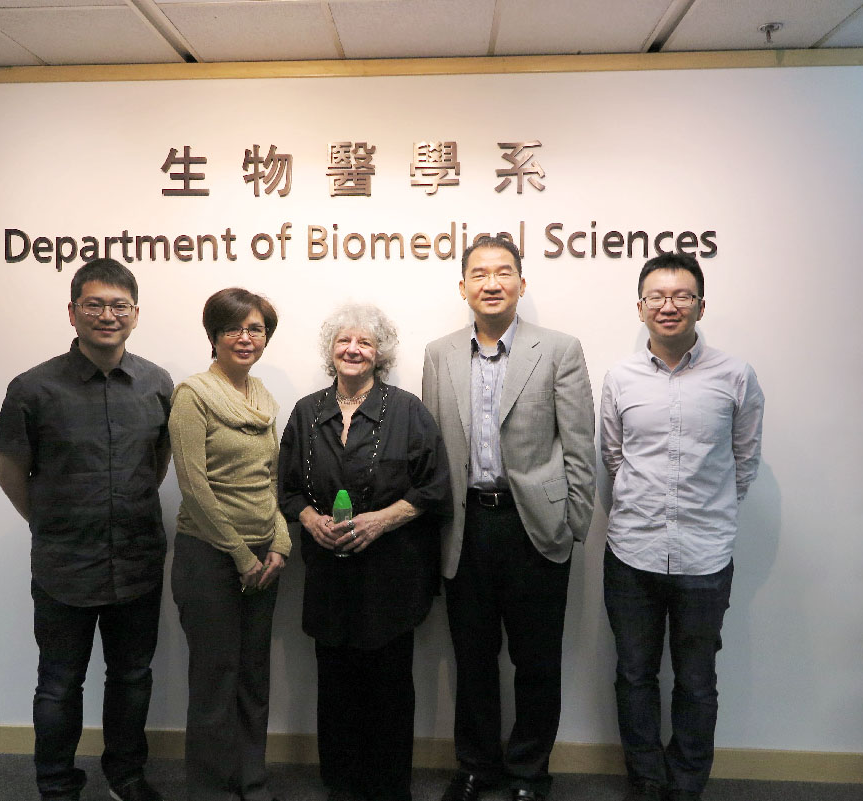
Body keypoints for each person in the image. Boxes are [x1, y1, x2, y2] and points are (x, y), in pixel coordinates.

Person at [422, 235, 596, 801]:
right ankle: (477, 766)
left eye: (503, 272)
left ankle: (529, 772)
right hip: (465, 527)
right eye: (479, 273)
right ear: (463, 287)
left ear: (522, 283)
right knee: (472, 658)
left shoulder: (559, 349)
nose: (491, 283)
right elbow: (431, 450)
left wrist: (573, 524)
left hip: (534, 527)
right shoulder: (439, 354)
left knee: (536, 660)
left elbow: (580, 445)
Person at [0, 257, 172, 801]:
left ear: (135, 314)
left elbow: (158, 462)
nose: (107, 315)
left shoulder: (157, 384)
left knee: (132, 677)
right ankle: (56, 785)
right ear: (72, 312)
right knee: (59, 683)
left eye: (119, 305)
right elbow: (10, 473)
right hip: (64, 565)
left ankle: (125, 775)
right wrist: (52, 524)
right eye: (94, 304)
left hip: (137, 560)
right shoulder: (32, 388)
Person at [599, 253, 764, 801]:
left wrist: (709, 513)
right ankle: (648, 781)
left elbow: (744, 460)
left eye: (681, 296)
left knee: (696, 681)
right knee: (634, 675)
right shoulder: (620, 378)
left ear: (700, 305)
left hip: (705, 557)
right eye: (657, 296)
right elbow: (614, 457)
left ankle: (688, 784)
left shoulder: (735, 376)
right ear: (640, 307)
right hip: (632, 552)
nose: (668, 306)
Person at [278, 303, 451, 801]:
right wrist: (310, 520)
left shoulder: (408, 410)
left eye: (365, 343)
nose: (353, 350)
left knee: (389, 687)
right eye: (344, 341)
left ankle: (389, 788)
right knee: (334, 685)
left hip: (391, 576)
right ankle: (341, 783)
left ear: (380, 354)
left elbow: (434, 487)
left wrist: (381, 519)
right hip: (327, 575)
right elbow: (286, 489)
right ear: (331, 350)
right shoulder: (306, 412)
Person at [168, 287, 291, 801]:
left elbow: (271, 479)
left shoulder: (261, 396)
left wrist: (279, 544)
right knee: (215, 679)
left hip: (263, 559)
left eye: (255, 328)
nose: (245, 337)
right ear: (214, 336)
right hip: (209, 557)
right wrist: (241, 556)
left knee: (254, 676)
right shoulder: (192, 395)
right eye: (233, 328)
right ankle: (211, 790)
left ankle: (251, 780)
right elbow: (193, 486)